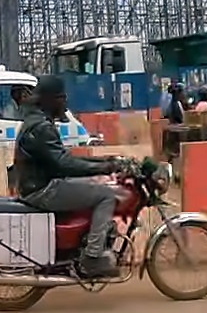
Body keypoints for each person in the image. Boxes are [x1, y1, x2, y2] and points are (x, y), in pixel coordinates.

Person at [12, 76, 126, 278]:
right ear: (49, 100)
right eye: (61, 97)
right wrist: (105, 167)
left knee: (92, 185)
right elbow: (64, 164)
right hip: (42, 189)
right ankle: (93, 256)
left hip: (37, 184)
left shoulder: (37, 121)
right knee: (106, 195)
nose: (65, 103)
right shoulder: (41, 128)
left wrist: (104, 163)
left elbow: (62, 159)